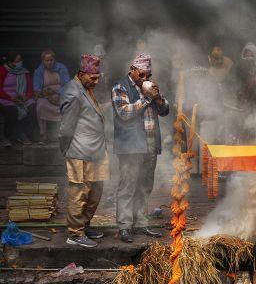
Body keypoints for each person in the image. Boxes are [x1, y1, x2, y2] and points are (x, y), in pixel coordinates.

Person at [111, 53, 169, 243]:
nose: (145, 78)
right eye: (142, 74)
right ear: (132, 69)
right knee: (127, 186)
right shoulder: (120, 87)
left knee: (145, 185)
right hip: (131, 145)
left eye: (148, 75)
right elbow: (124, 113)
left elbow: (165, 110)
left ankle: (142, 223)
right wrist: (146, 99)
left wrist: (158, 98)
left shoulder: (150, 86)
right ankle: (125, 226)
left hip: (150, 143)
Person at [58, 54, 107, 248]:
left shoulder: (86, 88)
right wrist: (66, 149)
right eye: (92, 77)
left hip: (95, 151)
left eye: (98, 77)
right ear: (81, 74)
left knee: (95, 191)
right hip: (79, 151)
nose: (96, 81)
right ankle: (75, 233)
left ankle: (84, 225)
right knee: (79, 192)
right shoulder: (73, 92)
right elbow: (66, 128)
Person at [0, 51, 37, 146]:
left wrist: (26, 97)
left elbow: (30, 88)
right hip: (6, 98)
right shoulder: (3, 70)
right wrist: (11, 98)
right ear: (10, 62)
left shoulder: (24, 72)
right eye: (17, 61)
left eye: (20, 60)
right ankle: (6, 136)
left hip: (22, 97)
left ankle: (23, 133)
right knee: (12, 110)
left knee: (32, 108)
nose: (20, 63)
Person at [33, 49, 70, 143]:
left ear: (54, 59)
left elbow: (67, 84)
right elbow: (36, 88)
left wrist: (58, 94)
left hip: (61, 95)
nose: (49, 62)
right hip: (46, 96)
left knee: (68, 105)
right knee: (40, 105)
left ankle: (64, 134)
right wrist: (46, 94)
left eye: (51, 60)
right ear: (43, 61)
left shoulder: (62, 68)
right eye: (47, 60)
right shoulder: (39, 71)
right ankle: (43, 134)